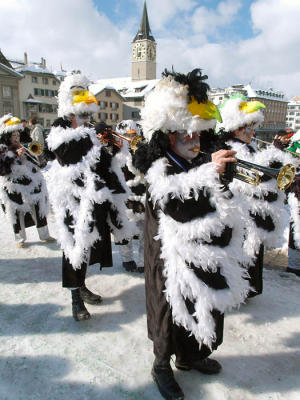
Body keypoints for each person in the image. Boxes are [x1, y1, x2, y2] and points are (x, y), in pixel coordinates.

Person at [133, 69, 252, 400]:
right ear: (169, 135)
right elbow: (177, 204)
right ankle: (161, 364)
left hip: (203, 252)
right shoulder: (161, 169)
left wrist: (221, 178)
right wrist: (209, 172)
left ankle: (190, 355)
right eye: (188, 135)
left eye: (199, 135)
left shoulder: (197, 159)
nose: (196, 142)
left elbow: (218, 201)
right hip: (169, 259)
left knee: (200, 303)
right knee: (169, 308)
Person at [47, 72, 137, 322]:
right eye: (76, 91)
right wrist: (92, 138)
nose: (84, 115)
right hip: (72, 199)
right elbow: (66, 154)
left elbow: (105, 160)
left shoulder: (89, 129)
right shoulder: (59, 126)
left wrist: (115, 146)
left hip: (94, 197)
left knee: (88, 245)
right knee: (74, 248)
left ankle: (82, 285)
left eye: (84, 90)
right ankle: (75, 298)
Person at [215, 95, 295, 297]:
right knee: (242, 253)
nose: (252, 131)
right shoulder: (230, 147)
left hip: (252, 212)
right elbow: (241, 180)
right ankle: (240, 291)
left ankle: (249, 289)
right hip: (238, 210)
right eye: (247, 127)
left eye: (253, 126)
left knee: (252, 253)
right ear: (235, 127)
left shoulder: (249, 146)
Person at [0, 114, 54, 248]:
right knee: (16, 212)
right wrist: (13, 157)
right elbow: (2, 169)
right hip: (13, 185)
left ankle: (44, 235)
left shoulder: (24, 146)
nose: (16, 139)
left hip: (31, 182)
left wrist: (31, 154)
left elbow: (40, 165)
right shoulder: (2, 150)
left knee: (38, 208)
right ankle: (20, 238)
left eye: (18, 136)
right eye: (14, 136)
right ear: (7, 137)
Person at [114, 120, 145, 273]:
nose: (130, 137)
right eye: (126, 135)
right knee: (125, 232)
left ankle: (143, 261)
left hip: (142, 197)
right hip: (125, 198)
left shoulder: (143, 150)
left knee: (144, 232)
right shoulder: (116, 154)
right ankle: (127, 259)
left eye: (133, 134)